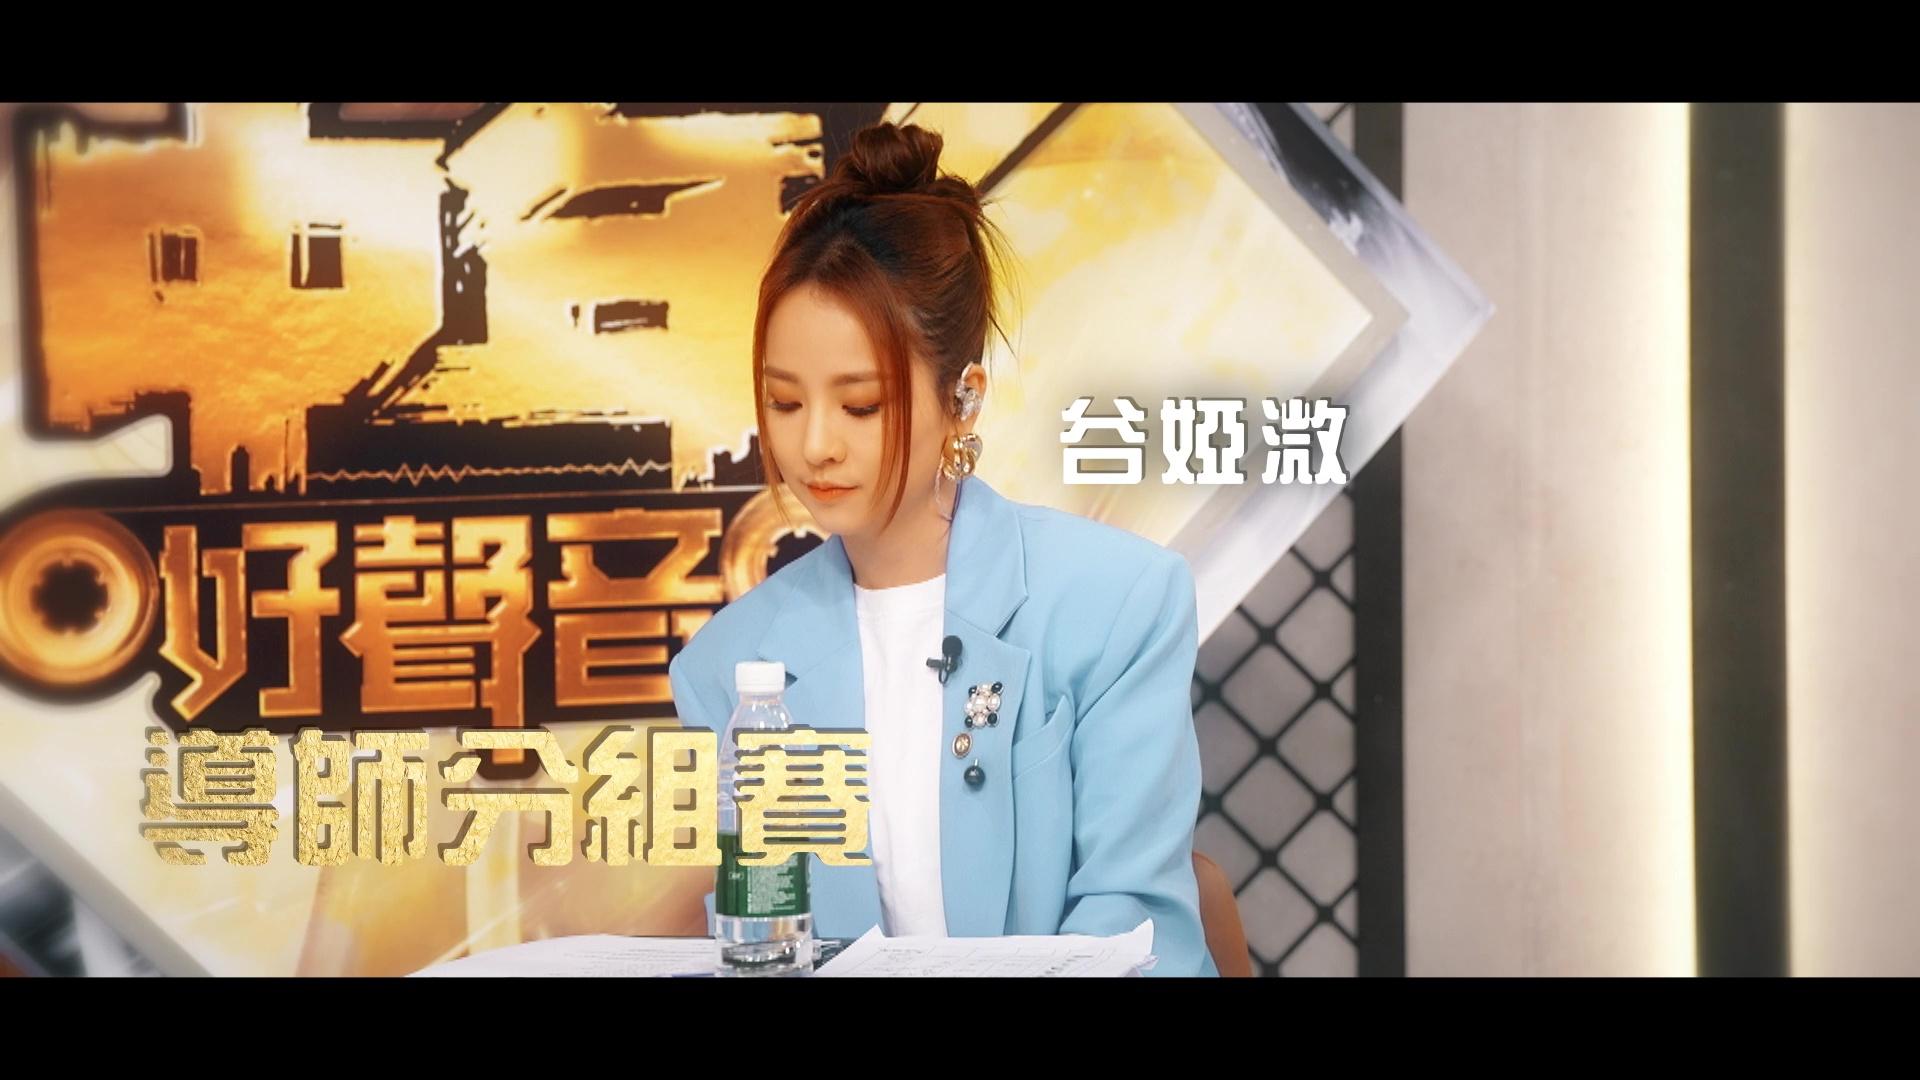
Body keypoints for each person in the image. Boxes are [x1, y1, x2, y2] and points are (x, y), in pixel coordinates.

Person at [667, 120, 1217, 977]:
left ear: (962, 399)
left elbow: (1136, 934)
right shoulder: (727, 669)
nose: (814, 446)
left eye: (861, 406)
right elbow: (761, 945)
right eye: (784, 402)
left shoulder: (1117, 604)